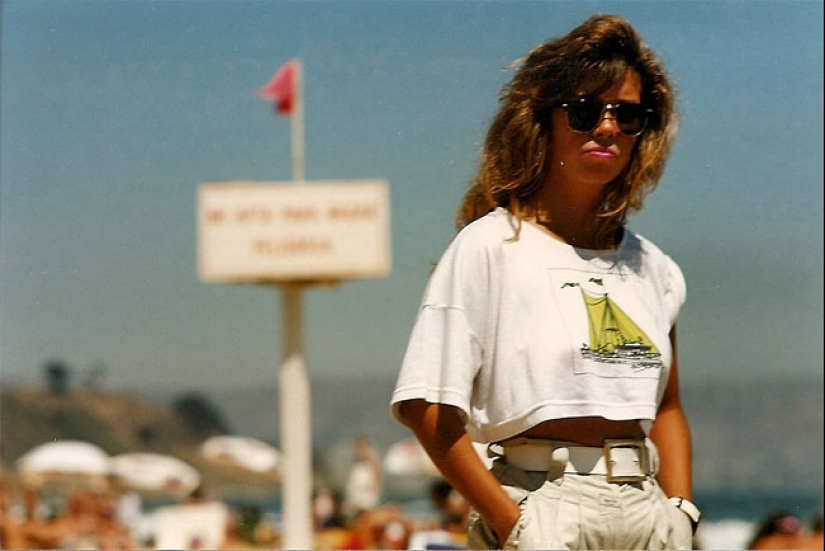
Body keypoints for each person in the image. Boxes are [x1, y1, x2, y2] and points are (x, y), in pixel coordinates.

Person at [391, 14, 697, 550]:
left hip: (649, 513)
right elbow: (428, 407)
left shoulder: (654, 268)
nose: (606, 127)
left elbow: (667, 406)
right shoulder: (491, 248)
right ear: (544, 121)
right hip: (544, 508)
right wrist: (515, 525)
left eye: (627, 115)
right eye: (584, 111)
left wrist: (681, 509)